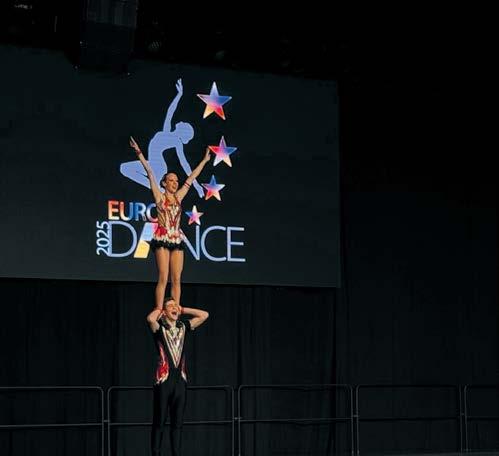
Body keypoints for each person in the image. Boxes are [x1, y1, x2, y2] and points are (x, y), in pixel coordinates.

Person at [129, 136, 210, 310]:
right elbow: (150, 172)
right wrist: (138, 152)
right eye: (171, 180)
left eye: (176, 181)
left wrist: (204, 160)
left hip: (176, 238)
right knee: (164, 276)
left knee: (177, 278)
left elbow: (191, 177)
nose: (175, 183)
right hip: (162, 236)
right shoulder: (159, 196)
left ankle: (175, 309)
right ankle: (159, 309)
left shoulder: (179, 197)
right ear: (164, 183)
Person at [147, 297, 209, 456]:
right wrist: (159, 309)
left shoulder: (183, 327)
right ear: (164, 312)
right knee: (159, 422)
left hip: (180, 382)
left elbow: (204, 315)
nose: (174, 307)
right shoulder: (160, 328)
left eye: (175, 305)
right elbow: (150, 319)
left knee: (178, 424)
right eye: (170, 306)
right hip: (164, 380)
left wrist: (183, 309)